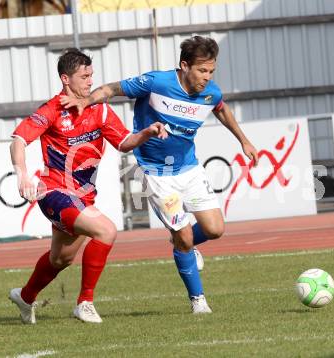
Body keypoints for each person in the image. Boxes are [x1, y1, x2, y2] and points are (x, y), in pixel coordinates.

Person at [61, 36, 258, 314]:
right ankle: (198, 300)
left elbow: (222, 110)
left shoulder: (210, 92)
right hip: (156, 174)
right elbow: (112, 89)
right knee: (186, 237)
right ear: (184, 65)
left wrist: (244, 141)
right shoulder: (156, 82)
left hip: (189, 169)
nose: (207, 77)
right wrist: (86, 101)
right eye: (202, 70)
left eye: (211, 71)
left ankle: (181, 242)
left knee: (215, 229)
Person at [9, 48, 167, 324]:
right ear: (65, 79)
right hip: (54, 191)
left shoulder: (100, 110)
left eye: (91, 75)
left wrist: (146, 133)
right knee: (106, 230)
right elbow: (19, 140)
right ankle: (85, 303)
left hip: (82, 197)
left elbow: (123, 143)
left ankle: (25, 296)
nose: (90, 82)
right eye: (84, 76)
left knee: (62, 259)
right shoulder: (52, 110)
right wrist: (21, 174)